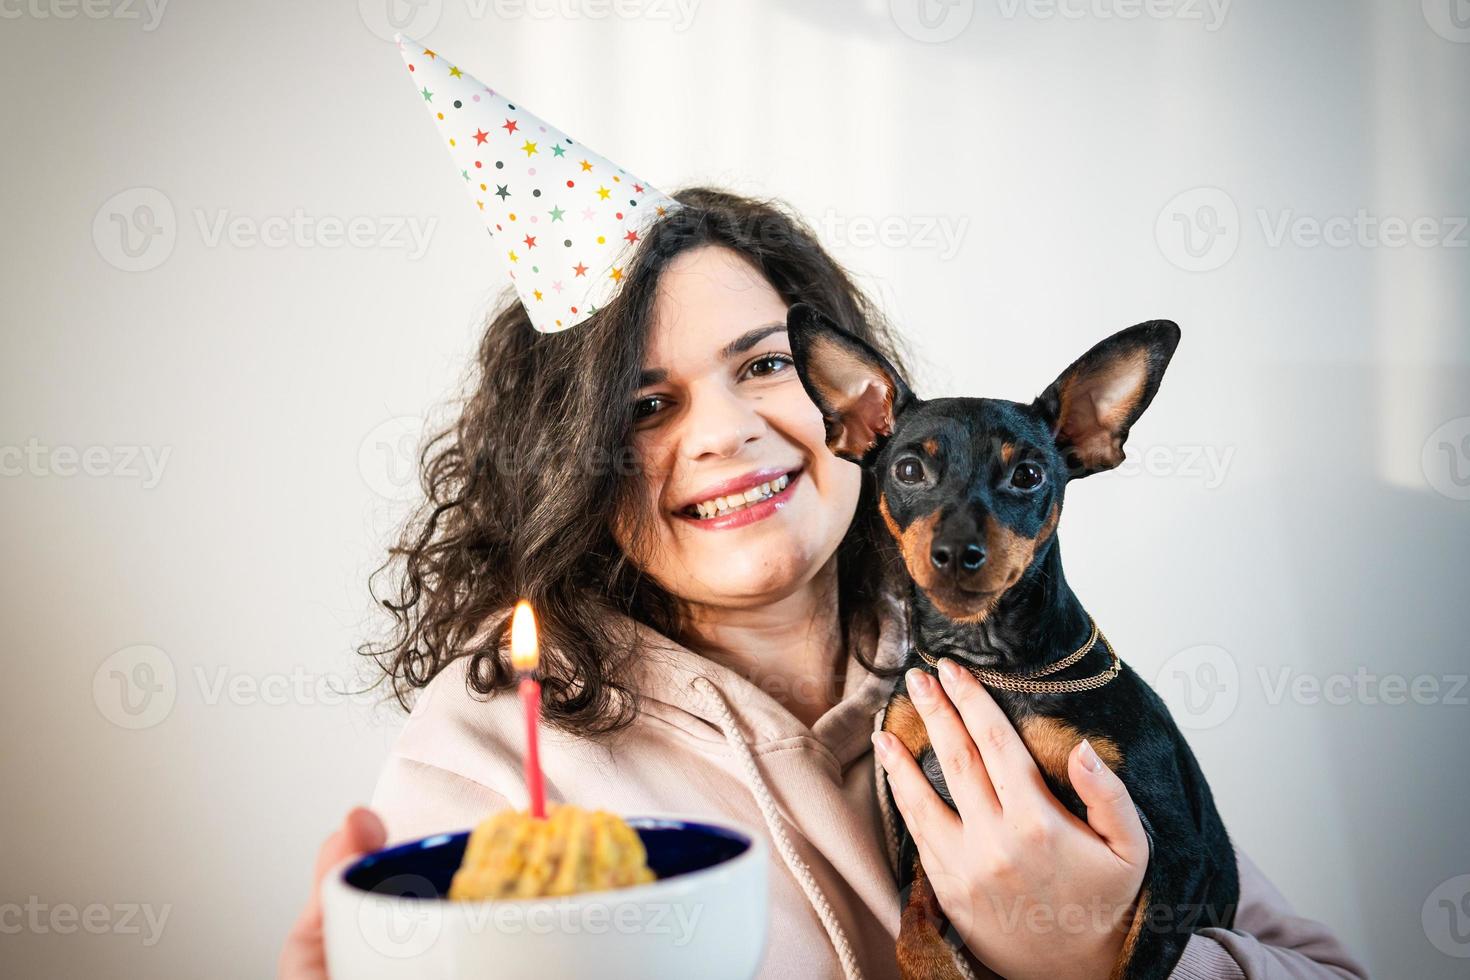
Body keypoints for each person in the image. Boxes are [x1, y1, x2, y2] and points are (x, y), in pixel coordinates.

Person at [278, 187, 1370, 980]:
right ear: (571, 462)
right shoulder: (490, 754)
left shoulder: (1044, 676)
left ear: (850, 406)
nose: (730, 432)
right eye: (645, 405)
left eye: (762, 365)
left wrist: (1099, 961)